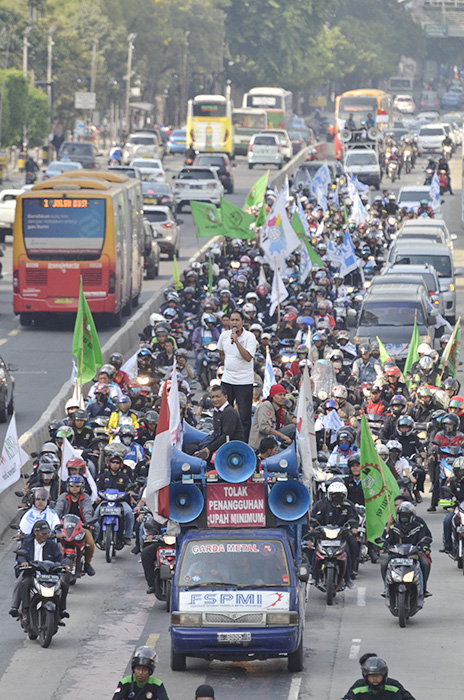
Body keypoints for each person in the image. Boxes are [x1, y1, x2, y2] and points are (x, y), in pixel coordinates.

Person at [9, 520, 70, 623]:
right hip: (32, 573)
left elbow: (59, 557)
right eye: (43, 533)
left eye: (47, 533)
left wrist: (65, 565)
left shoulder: (52, 545)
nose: (45, 535)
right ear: (36, 532)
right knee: (24, 583)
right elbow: (21, 556)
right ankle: (24, 611)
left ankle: (61, 611)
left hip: (49, 575)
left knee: (63, 585)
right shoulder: (27, 543)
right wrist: (24, 562)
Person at [217, 309, 257, 440]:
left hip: (244, 382)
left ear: (242, 322)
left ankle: (243, 443)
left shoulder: (249, 337)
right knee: (224, 412)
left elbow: (248, 357)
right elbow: (221, 353)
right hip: (227, 380)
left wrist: (237, 341)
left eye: (237, 320)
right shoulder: (224, 336)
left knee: (244, 415)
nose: (234, 323)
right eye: (232, 320)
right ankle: (223, 439)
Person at [382, 502, 432, 595]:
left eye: (406, 515)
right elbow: (387, 540)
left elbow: (424, 539)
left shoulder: (418, 527)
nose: (404, 517)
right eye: (401, 515)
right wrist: (384, 547)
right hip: (396, 554)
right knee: (384, 564)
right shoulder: (394, 527)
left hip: (413, 554)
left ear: (412, 516)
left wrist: (425, 547)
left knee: (425, 564)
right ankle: (387, 589)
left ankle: (423, 589)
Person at [186, 384, 245, 461]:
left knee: (194, 451)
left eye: (218, 397)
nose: (215, 400)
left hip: (230, 447)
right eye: (212, 397)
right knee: (190, 446)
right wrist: (204, 445)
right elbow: (216, 433)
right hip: (219, 442)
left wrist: (208, 449)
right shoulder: (217, 410)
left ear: (226, 397)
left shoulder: (229, 412)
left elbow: (225, 437)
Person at [54, 475, 96, 576]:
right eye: (72, 486)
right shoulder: (63, 497)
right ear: (68, 486)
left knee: (90, 544)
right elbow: (57, 511)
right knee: (53, 541)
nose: (74, 488)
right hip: (64, 526)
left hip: (81, 527)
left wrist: (89, 522)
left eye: (77, 486)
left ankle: (87, 563)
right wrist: (55, 521)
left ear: (81, 487)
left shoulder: (85, 498)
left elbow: (87, 511)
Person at [342, 656, 415, 700]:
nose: (375, 678)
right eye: (371, 676)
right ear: (365, 676)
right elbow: (347, 698)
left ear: (384, 675)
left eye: (378, 675)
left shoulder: (394, 687)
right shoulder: (358, 687)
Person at [248, 383, 296, 451]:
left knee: (294, 427)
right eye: (280, 395)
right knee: (287, 456)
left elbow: (290, 419)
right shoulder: (266, 405)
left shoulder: (279, 408)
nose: (283, 397)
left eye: (284, 395)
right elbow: (264, 428)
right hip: (261, 445)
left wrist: (303, 422)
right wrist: (283, 436)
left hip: (272, 440)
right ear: (273, 396)